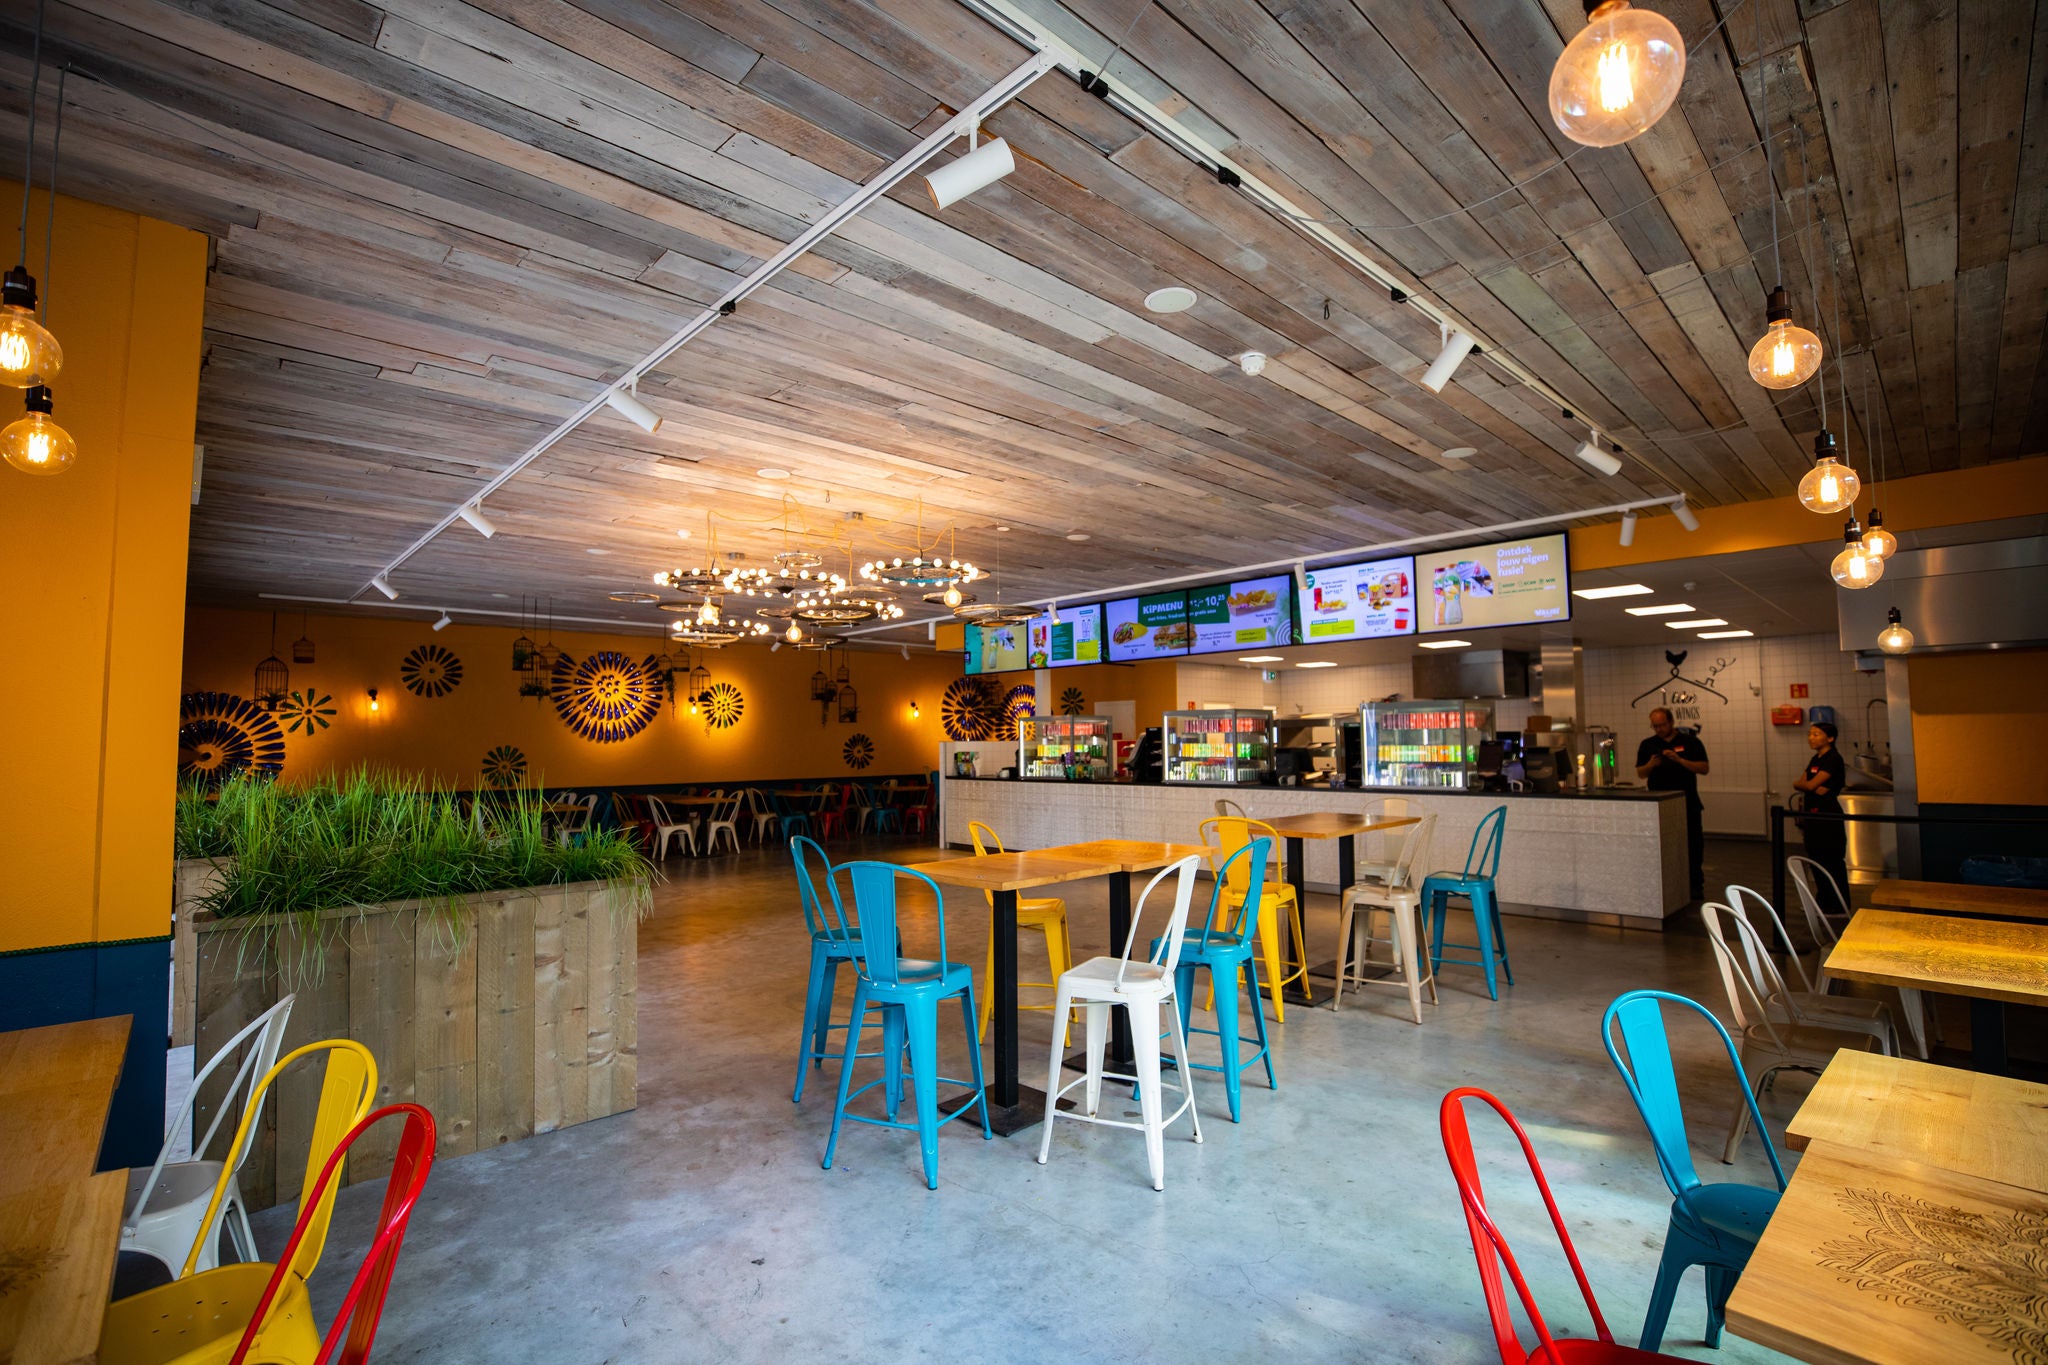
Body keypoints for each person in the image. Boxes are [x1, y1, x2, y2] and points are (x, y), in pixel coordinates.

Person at [1637, 707, 1710, 901]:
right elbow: (1641, 773)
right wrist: (1651, 765)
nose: (1658, 729)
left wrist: (1679, 760)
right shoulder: (1648, 744)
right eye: (1655, 726)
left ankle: (1695, 885)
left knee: (1693, 845)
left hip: (1687, 802)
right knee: (1661, 845)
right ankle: (1664, 883)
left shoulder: (1691, 742)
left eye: (1661, 725)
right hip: (1658, 803)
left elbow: (1703, 768)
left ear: (1671, 722)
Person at [1793, 721, 1850, 917]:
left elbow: (1808, 785)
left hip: (1827, 815)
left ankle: (1839, 905)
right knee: (1816, 857)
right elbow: (1800, 783)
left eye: (1816, 734)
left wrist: (1809, 785)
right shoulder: (1815, 759)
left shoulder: (1833, 759)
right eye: (1810, 734)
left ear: (1830, 738)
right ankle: (1823, 902)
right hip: (1812, 814)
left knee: (1831, 859)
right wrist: (1809, 785)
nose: (1811, 737)